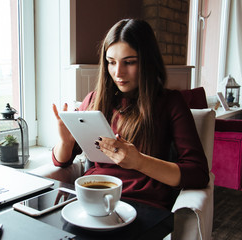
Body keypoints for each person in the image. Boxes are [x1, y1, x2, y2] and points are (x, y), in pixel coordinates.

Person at [51, 19, 209, 210]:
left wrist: (139, 161)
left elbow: (198, 173)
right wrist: (66, 142)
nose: (118, 72)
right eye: (111, 62)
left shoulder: (170, 102)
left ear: (148, 61)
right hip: (92, 199)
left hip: (143, 203)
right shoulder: (94, 100)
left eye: (130, 62)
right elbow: (62, 161)